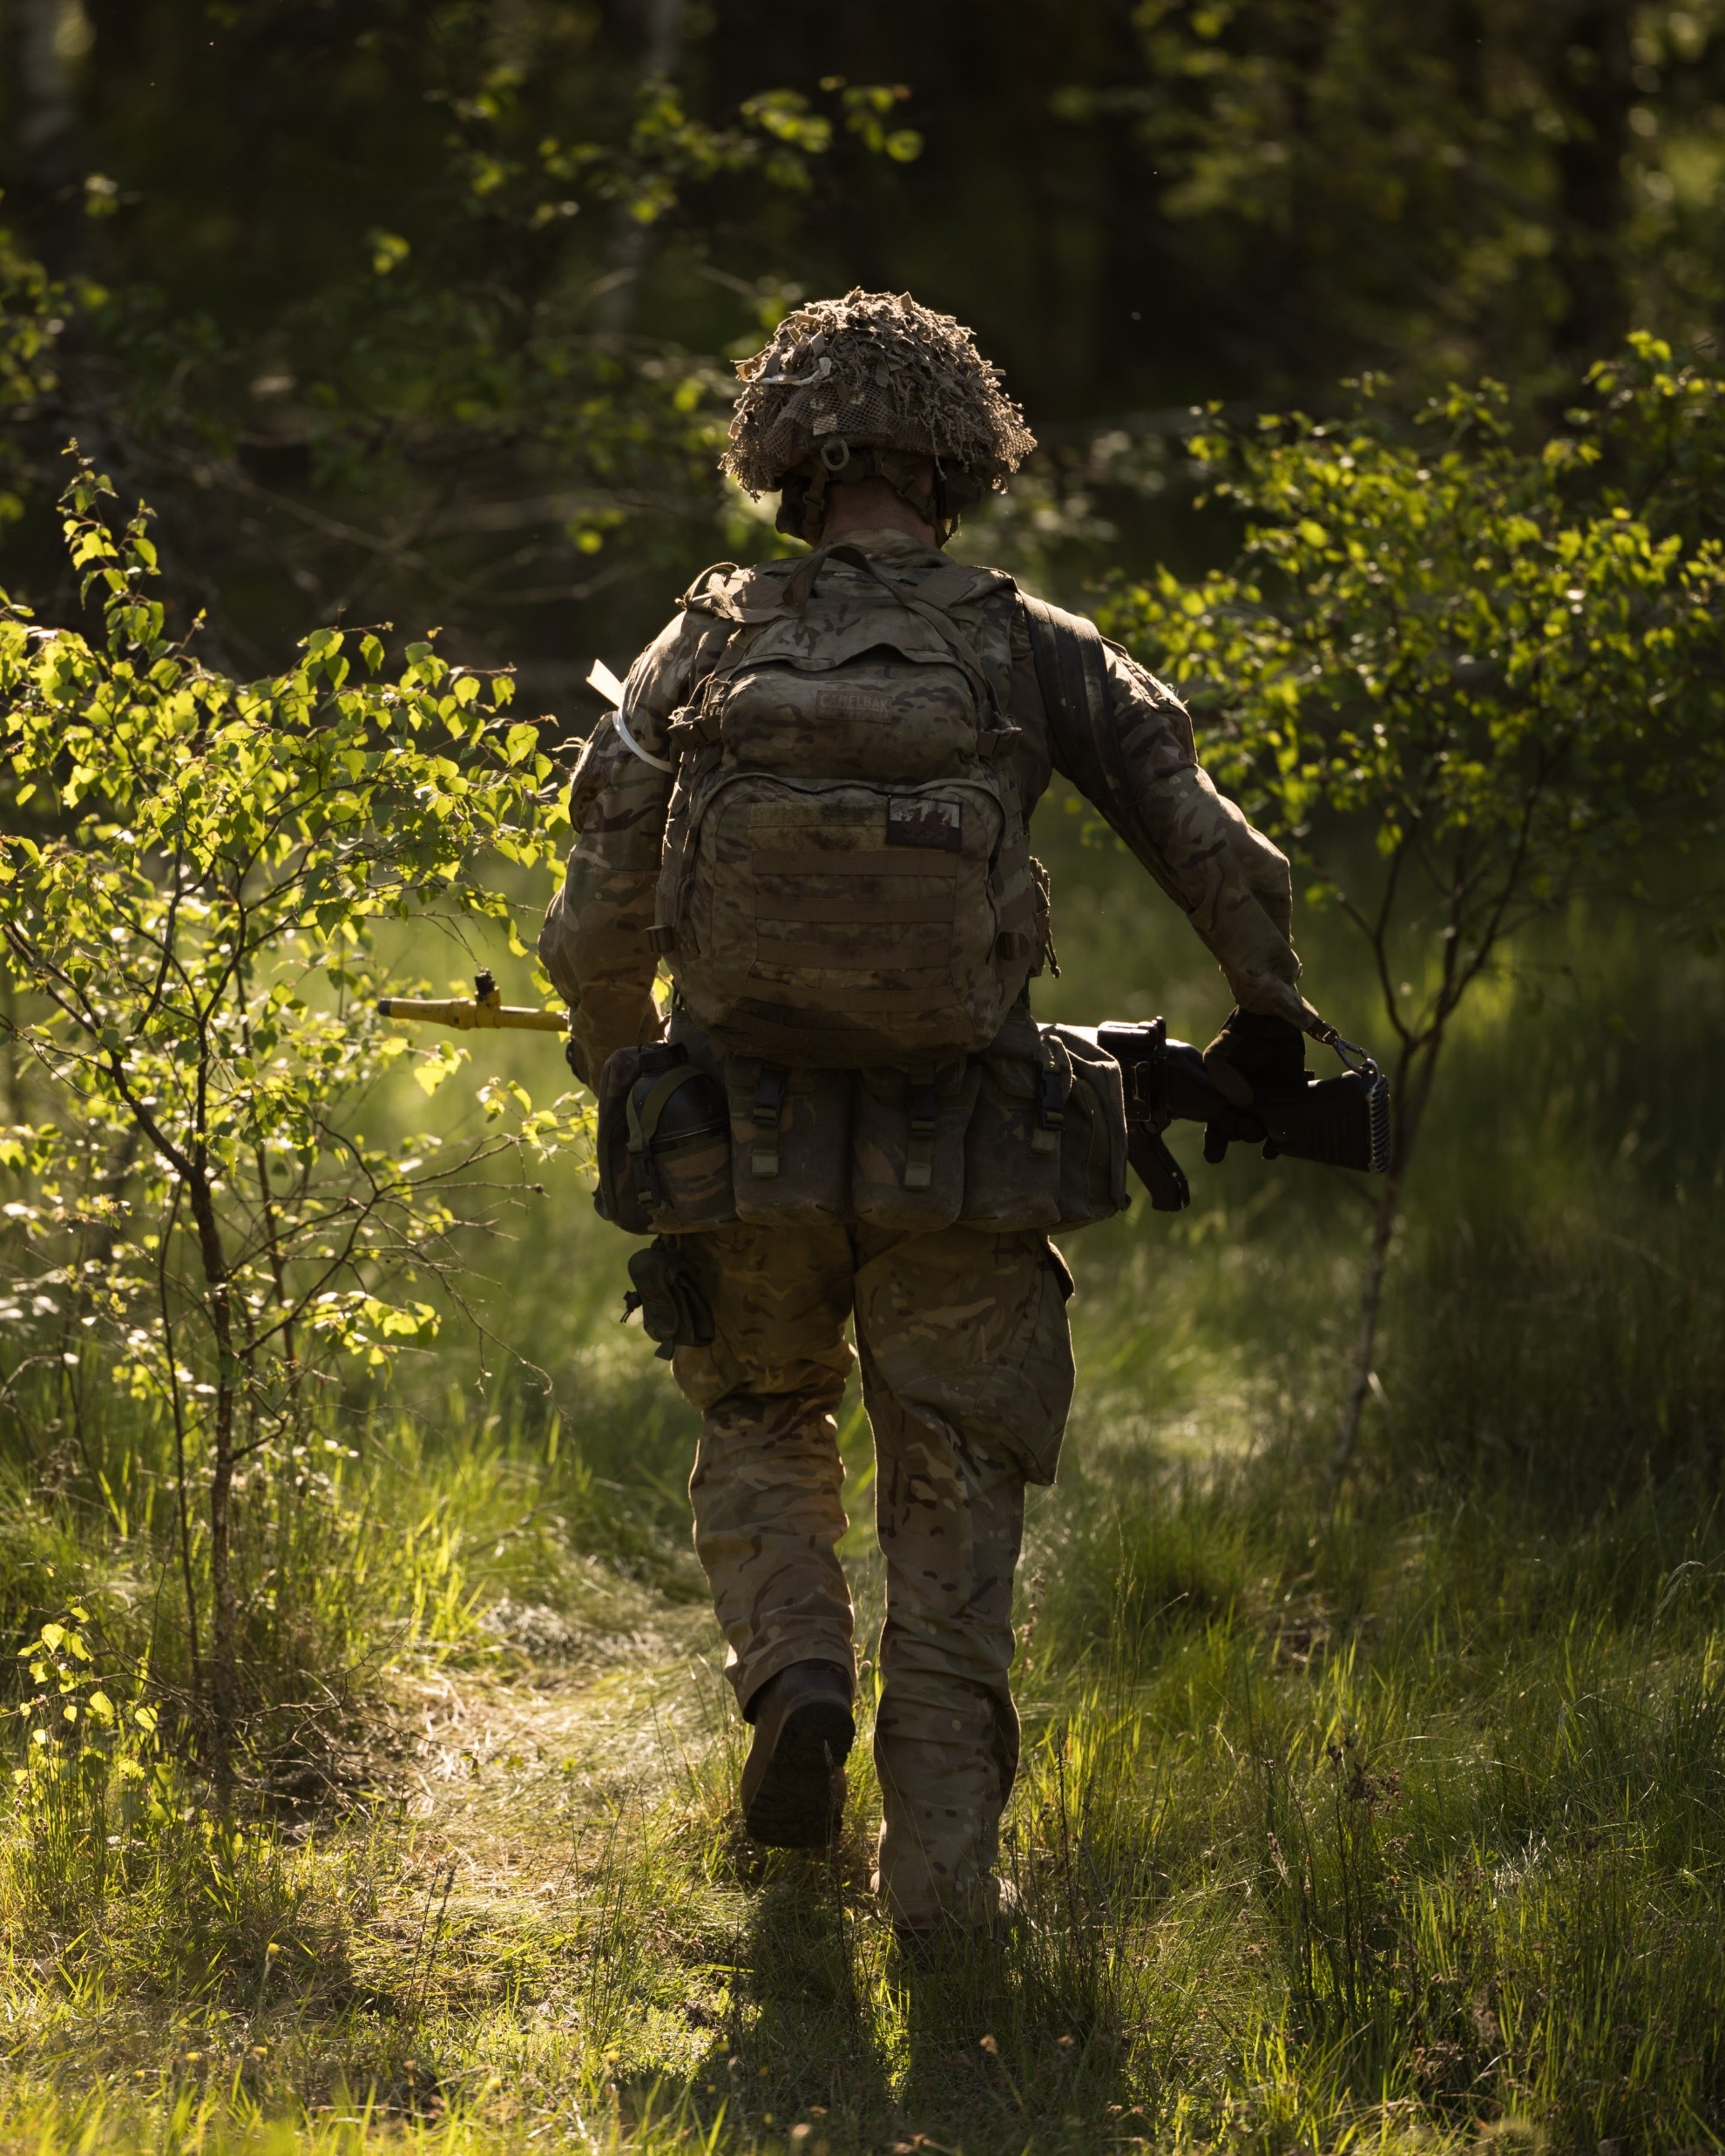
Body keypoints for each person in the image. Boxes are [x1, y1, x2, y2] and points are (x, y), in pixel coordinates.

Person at [539, 289, 1322, 1946]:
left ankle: (799, 1681)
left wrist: (633, 1078)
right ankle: (947, 1891)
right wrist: (1267, 1028)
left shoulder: (705, 641)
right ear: (962, 459)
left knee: (760, 1419)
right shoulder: (1028, 644)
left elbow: (596, 910)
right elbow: (1214, 846)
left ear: (786, 464)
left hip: (735, 1146)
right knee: (955, 1484)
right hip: (964, 1151)